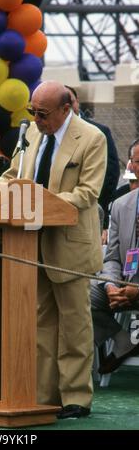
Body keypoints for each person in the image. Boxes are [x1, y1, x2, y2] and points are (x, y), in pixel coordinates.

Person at [1, 81, 107, 419]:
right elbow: (13, 175)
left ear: (66, 109)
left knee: (75, 326)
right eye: (32, 111)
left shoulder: (92, 138)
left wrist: (38, 203)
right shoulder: (31, 134)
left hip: (70, 246)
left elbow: (88, 194)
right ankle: (45, 396)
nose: (36, 118)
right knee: (42, 324)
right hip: (31, 244)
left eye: (42, 113)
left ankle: (76, 398)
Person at [91, 139, 139, 375]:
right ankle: (123, 339)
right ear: (131, 166)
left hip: (135, 288)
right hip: (124, 285)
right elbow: (111, 257)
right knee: (80, 294)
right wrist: (111, 285)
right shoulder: (121, 204)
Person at [65, 85, 120, 239]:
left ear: (77, 102)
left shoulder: (98, 131)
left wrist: (100, 207)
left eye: (71, 101)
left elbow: (111, 173)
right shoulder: (49, 135)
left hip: (91, 209)